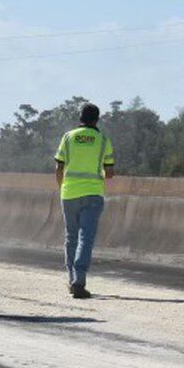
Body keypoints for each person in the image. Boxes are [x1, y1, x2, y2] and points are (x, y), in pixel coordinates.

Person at [54, 103, 115, 299]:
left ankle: (72, 279)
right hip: (93, 194)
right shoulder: (103, 140)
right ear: (97, 119)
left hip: (69, 193)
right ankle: (79, 280)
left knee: (71, 237)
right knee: (85, 238)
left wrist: (62, 188)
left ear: (80, 118)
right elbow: (110, 172)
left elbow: (58, 167)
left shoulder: (68, 137)